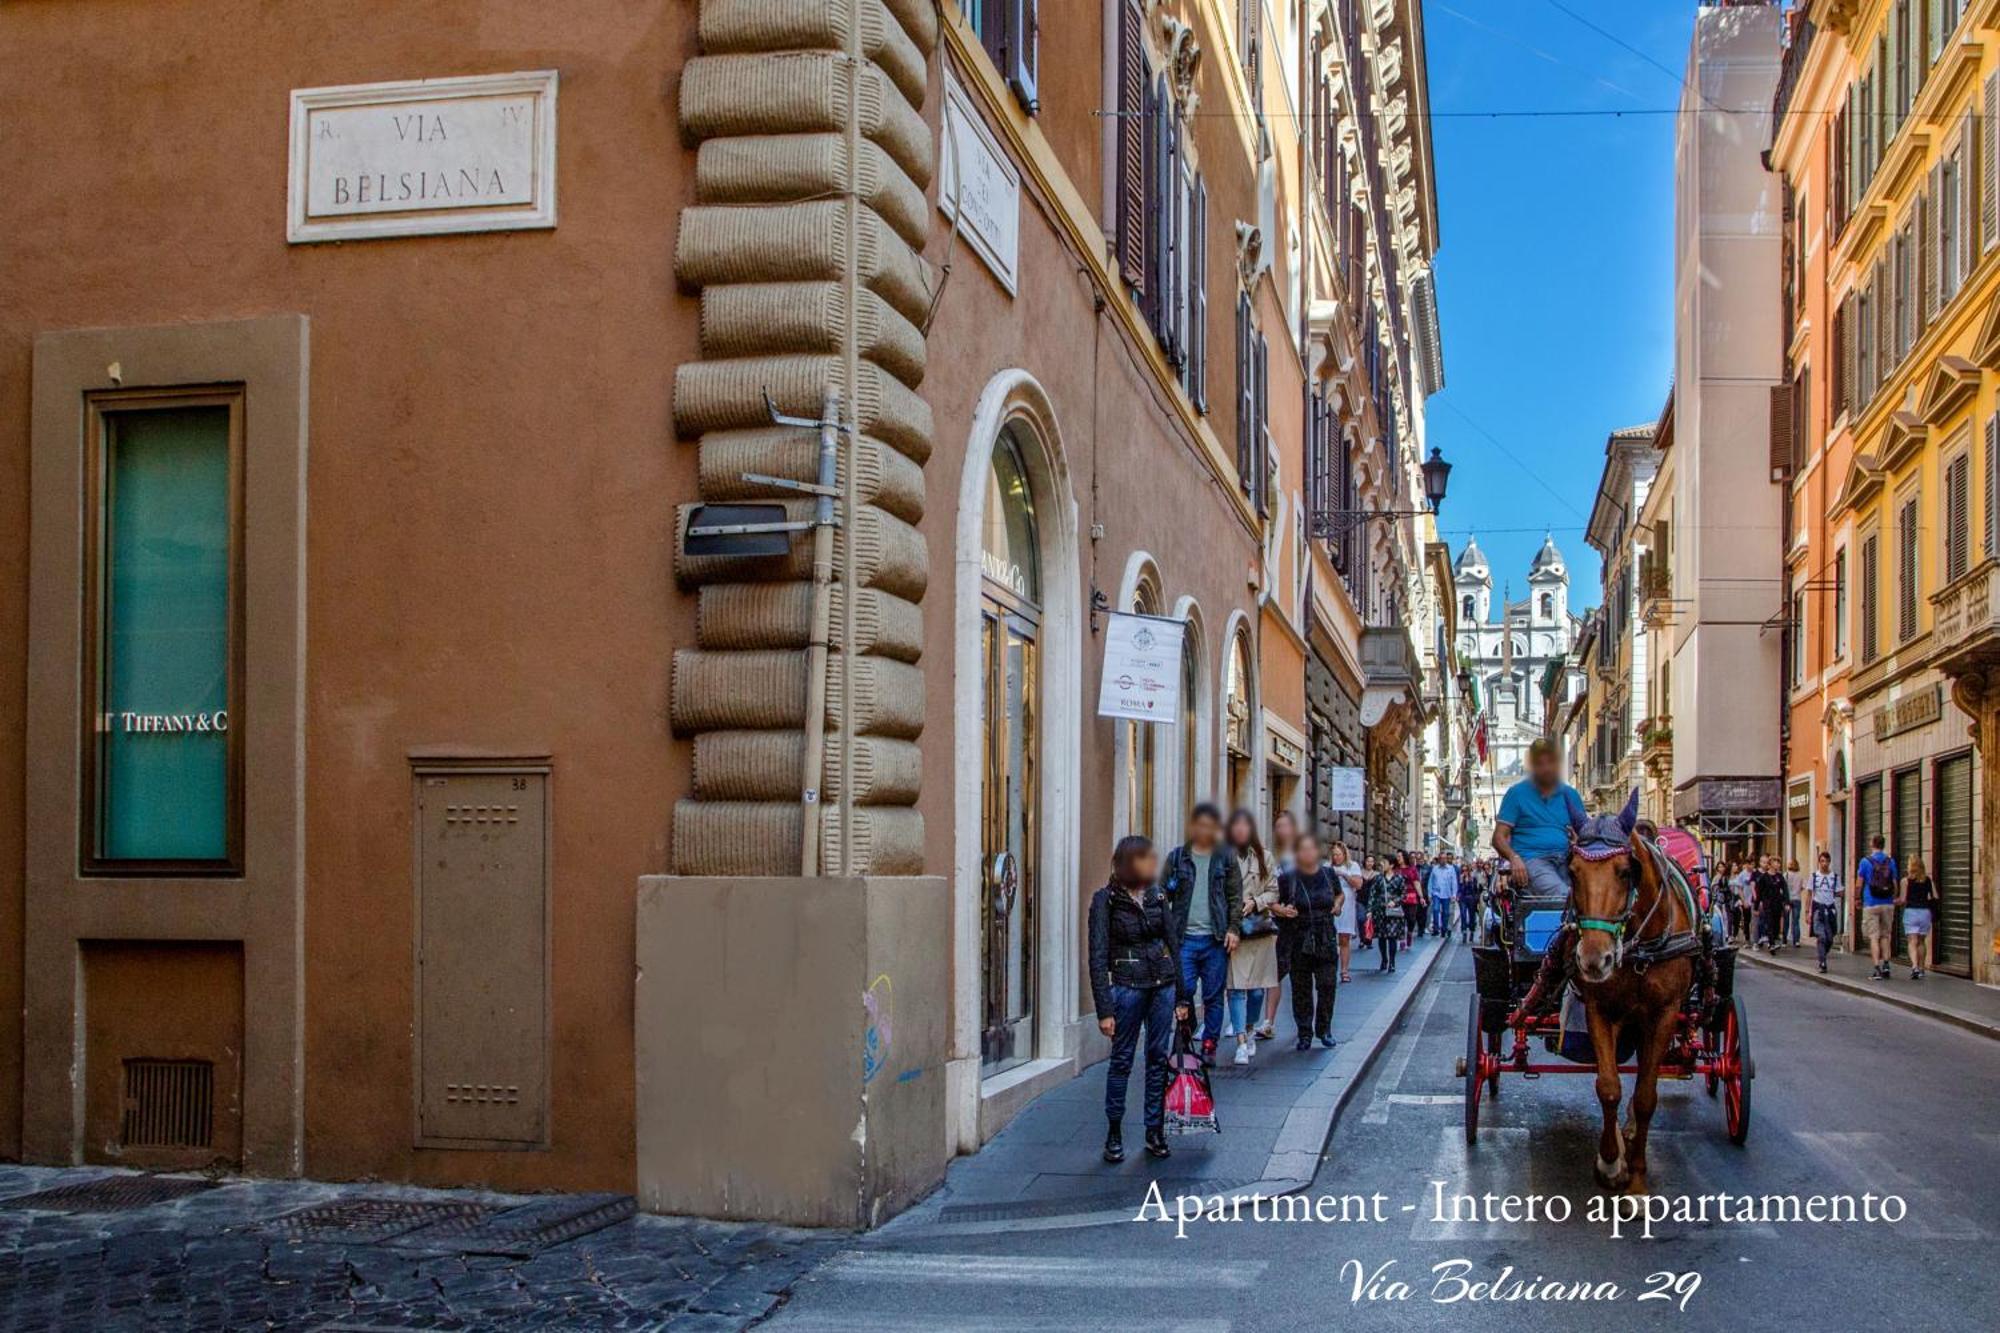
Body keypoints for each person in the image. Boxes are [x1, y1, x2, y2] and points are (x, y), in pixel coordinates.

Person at [1088, 836, 1189, 1164]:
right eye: (1146, 858)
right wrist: (1104, 1009)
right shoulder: (1105, 901)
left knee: (1158, 1058)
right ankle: (1114, 1131)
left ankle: (1154, 1129)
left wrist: (1183, 996)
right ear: (1130, 861)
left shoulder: (1157, 895)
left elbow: (1173, 944)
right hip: (1127, 987)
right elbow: (1097, 955)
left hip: (1162, 984)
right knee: (1121, 1060)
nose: (1153, 863)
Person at [1160, 803, 1243, 1062]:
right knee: (1182, 990)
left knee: (1213, 995)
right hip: (1183, 939)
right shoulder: (1177, 858)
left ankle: (1209, 1044)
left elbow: (1235, 896)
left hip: (1215, 939)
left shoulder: (1225, 858)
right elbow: (1163, 894)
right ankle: (1187, 1033)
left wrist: (1233, 928)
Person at [1492, 738, 1586, 909]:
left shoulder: (1570, 795)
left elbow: (1585, 832)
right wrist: (1514, 858)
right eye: (1540, 763)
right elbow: (1498, 837)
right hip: (1532, 860)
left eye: (1550, 762)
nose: (1546, 768)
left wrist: (1578, 841)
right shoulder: (1516, 794)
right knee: (1564, 898)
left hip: (1568, 860)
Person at [1224, 809, 1280, 1065]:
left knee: (1256, 991)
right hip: (1233, 930)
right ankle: (1240, 1042)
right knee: (1236, 989)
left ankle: (1249, 1027)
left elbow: (1273, 892)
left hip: (1258, 930)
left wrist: (1255, 902)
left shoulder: (1265, 857)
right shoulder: (1223, 857)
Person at [1276, 833, 1342, 1049]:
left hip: (1325, 936)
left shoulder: (1328, 874)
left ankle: (1324, 1029)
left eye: (1311, 849)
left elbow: (1339, 894)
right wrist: (1283, 910)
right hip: (1299, 937)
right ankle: (1304, 1032)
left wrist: (1338, 904)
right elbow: (1273, 903)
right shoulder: (1288, 878)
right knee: (1301, 988)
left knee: (1327, 985)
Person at [1262, 811, 1299, 1039]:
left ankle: (1303, 1022)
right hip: (1276, 923)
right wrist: (1276, 908)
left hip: (1300, 924)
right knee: (1274, 973)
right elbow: (1261, 888)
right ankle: (1269, 1021)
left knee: (1300, 975)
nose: (1281, 830)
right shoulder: (1268, 856)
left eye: (1285, 826)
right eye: (1278, 826)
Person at [1857, 835, 1900, 980]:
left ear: (1872, 844)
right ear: (1883, 844)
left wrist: (1857, 898)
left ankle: (1876, 968)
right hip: (1887, 903)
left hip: (1871, 903)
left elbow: (1859, 883)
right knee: (1885, 936)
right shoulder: (1891, 861)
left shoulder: (1865, 861)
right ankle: (1886, 965)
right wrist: (1893, 898)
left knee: (1874, 937)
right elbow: (1895, 883)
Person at [1327, 839, 1365, 984]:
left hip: (1347, 905)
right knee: (1330, 939)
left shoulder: (1352, 866)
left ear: (1344, 854)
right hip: (1331, 904)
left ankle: (1344, 970)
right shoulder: (1327, 866)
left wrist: (1343, 874)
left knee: (1344, 938)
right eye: (1334, 855)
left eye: (1338, 854)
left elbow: (1358, 884)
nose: (1336, 857)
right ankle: (1331, 970)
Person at [1366, 854, 1407, 971]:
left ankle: (1392, 962)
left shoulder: (1399, 879)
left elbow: (1403, 894)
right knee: (1382, 937)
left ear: (1391, 865)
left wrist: (1395, 901)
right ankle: (1384, 959)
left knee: (1392, 937)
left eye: (1385, 862)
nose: (1382, 864)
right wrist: (1369, 910)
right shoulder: (1378, 878)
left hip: (1393, 913)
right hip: (1380, 912)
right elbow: (1372, 895)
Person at [1900, 856, 1938, 981]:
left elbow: (1903, 899)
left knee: (1912, 941)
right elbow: (1935, 896)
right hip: (1925, 913)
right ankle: (1922, 969)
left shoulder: (1905, 881)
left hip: (1911, 912)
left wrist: (1893, 902)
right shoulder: (1928, 880)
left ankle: (1915, 967)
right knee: (1921, 942)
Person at [1808, 851, 1842, 973]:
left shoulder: (1835, 877)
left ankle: (1823, 954)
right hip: (1818, 908)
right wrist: (1808, 912)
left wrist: (1837, 892)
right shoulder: (1814, 876)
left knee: (1830, 938)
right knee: (1821, 937)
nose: (1824, 864)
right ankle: (1822, 962)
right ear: (1819, 862)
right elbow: (1809, 894)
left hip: (1830, 908)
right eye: (1822, 861)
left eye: (1826, 861)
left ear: (1829, 862)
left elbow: (1840, 892)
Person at [1750, 855, 1789, 952]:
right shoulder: (1764, 877)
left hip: (1777, 903)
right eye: (1776, 862)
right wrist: (1756, 906)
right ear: (1771, 864)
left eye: (1779, 863)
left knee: (1776, 924)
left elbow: (1785, 890)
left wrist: (1787, 902)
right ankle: (1771, 944)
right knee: (1769, 923)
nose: (1778, 865)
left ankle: (1773, 939)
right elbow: (1759, 892)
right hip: (1768, 904)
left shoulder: (1780, 877)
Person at [1428, 851, 1461, 940]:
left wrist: (1454, 894)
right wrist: (1429, 893)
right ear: (1439, 859)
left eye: (1444, 858)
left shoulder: (1451, 869)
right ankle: (1435, 928)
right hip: (1436, 894)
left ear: (1446, 859)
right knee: (1435, 909)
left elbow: (1454, 882)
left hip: (1447, 894)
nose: (1443, 860)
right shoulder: (1435, 868)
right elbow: (1430, 881)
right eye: (1441, 858)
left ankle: (1444, 929)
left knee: (1446, 913)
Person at [1400, 854, 1426, 941]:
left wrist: (1421, 897)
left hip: (1411, 896)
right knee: (1400, 918)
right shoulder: (1396, 869)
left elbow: (1417, 883)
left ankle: (1410, 932)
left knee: (1411, 918)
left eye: (1400, 856)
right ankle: (1402, 939)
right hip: (1399, 897)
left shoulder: (1412, 869)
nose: (1399, 858)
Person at [1456, 857, 1480, 941]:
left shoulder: (1473, 879)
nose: (1464, 872)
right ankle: (1464, 931)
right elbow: (1459, 890)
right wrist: (1462, 882)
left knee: (1472, 916)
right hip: (1463, 899)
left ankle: (1472, 930)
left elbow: (1475, 890)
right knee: (1463, 915)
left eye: (1466, 870)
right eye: (1463, 870)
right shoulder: (1460, 879)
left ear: (1469, 871)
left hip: (1471, 899)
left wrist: (1476, 899)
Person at [1784, 858, 1805, 947]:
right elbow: (1803, 887)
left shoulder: (1786, 875)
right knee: (1796, 921)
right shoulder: (1800, 876)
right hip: (1797, 899)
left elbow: (1783, 887)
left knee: (1786, 920)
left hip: (1787, 900)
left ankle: (1784, 941)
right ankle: (1796, 941)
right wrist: (1797, 891)